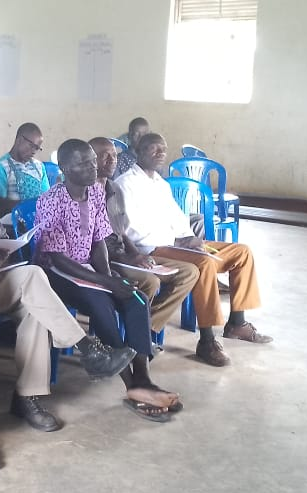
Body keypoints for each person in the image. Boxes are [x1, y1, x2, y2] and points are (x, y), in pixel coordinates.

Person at [0, 159, 136, 432]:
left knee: (33, 283)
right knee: (34, 299)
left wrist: (1, 252)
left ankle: (28, 397)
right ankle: (83, 350)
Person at [38, 139, 180, 422]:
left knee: (136, 298)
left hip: (88, 268)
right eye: (83, 163)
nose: (93, 168)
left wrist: (107, 275)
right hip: (58, 273)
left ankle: (143, 377)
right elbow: (57, 258)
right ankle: (132, 387)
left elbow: (99, 240)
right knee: (101, 303)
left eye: (93, 161)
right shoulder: (51, 199)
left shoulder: (95, 194)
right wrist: (101, 282)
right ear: (64, 168)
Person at [116, 133, 271, 367]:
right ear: (138, 151)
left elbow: (176, 216)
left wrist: (188, 236)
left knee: (242, 252)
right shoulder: (125, 184)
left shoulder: (160, 183)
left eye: (164, 149)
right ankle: (207, 340)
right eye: (153, 149)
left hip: (174, 243)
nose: (160, 154)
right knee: (205, 263)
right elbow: (132, 230)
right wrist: (178, 242)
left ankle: (237, 323)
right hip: (154, 247)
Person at [90, 137, 198, 337]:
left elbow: (121, 231)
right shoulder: (84, 193)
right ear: (90, 159)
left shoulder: (113, 189)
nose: (112, 160)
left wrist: (134, 253)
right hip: (102, 259)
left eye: (114, 155)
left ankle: (143, 328)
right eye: (104, 156)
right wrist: (126, 257)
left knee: (189, 272)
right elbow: (94, 243)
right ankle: (134, 334)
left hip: (123, 253)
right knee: (150, 282)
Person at [0, 123, 49, 216]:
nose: (34, 151)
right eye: (32, 146)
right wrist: (28, 206)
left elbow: (46, 197)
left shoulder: (39, 166)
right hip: (14, 225)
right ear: (20, 140)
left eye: (37, 148)